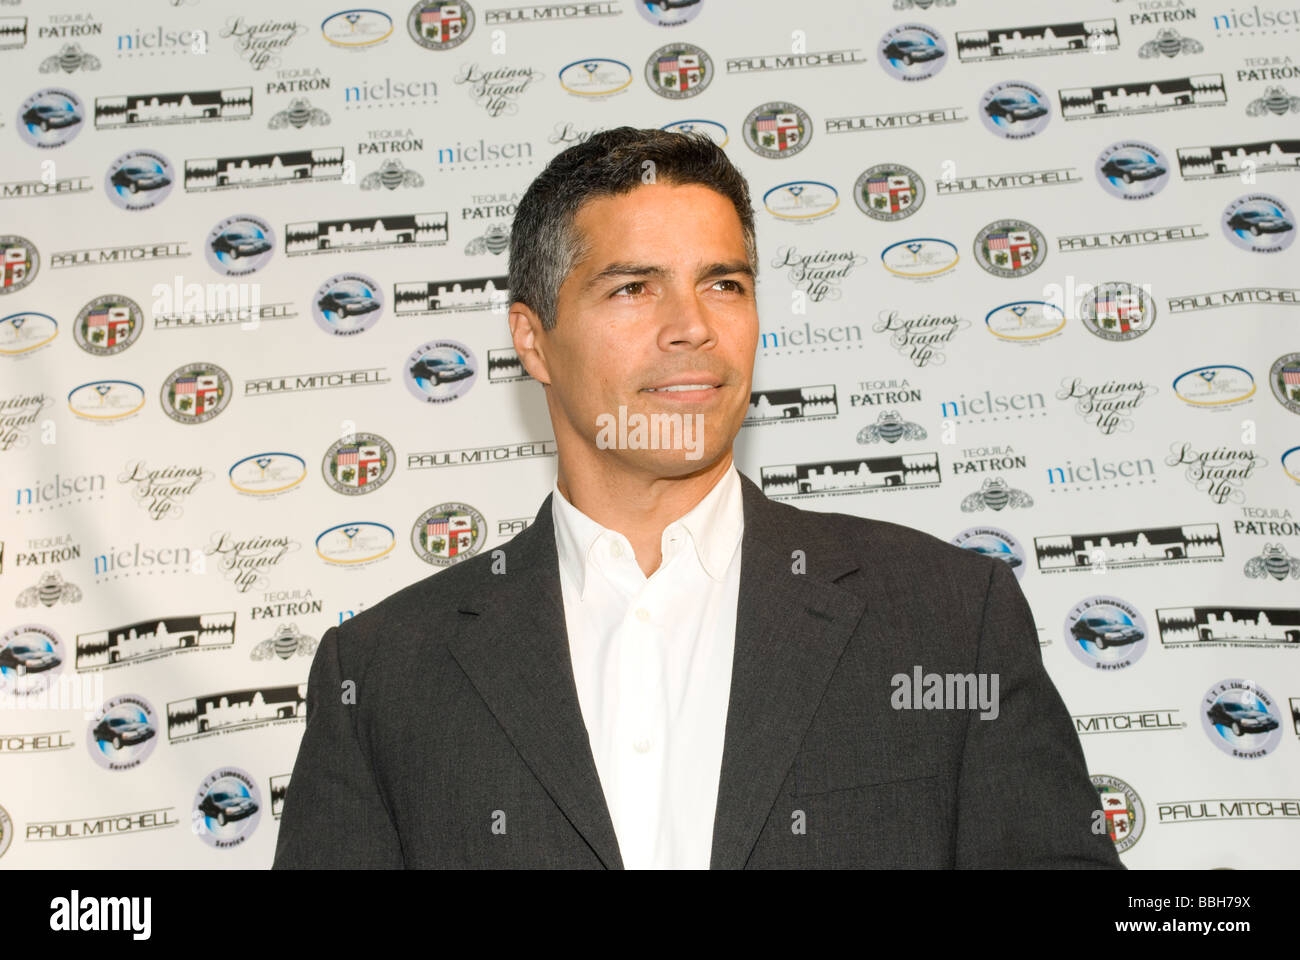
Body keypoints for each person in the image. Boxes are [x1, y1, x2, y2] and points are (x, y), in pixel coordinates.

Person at [273, 127, 1123, 870]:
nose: (693, 327)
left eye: (724, 284)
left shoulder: (946, 618)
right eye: (633, 287)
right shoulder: (384, 677)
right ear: (532, 340)